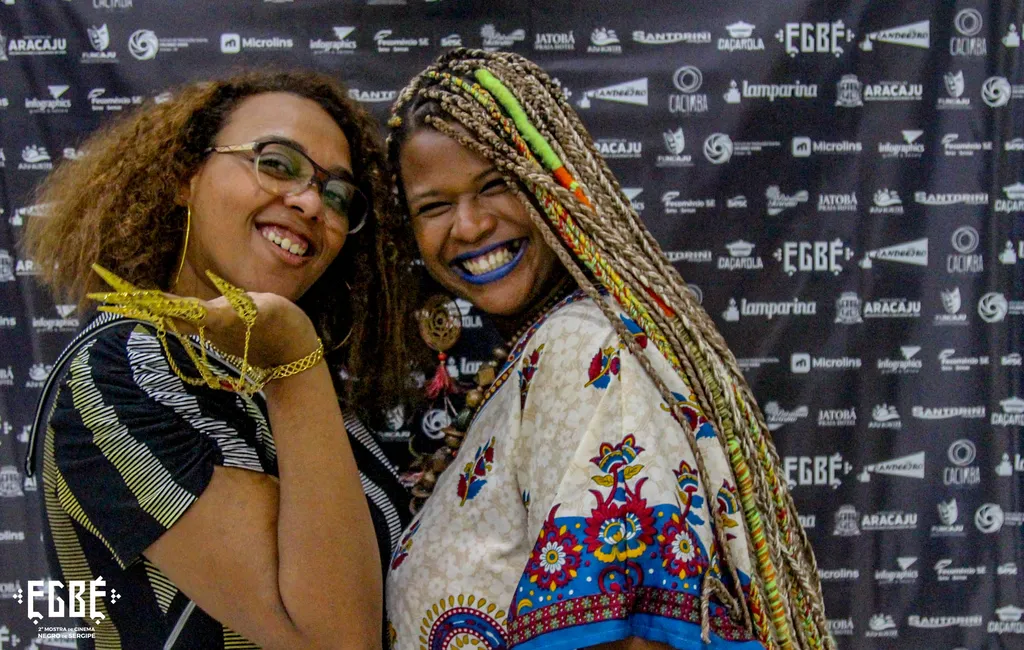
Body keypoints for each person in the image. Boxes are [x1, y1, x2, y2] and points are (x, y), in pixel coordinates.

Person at [384, 50, 832, 650]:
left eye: (496, 185)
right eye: (435, 206)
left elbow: (628, 639)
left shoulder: (583, 349)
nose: (467, 226)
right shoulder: (536, 352)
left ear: (555, 182)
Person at [23, 70, 411, 649]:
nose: (311, 203)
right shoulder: (118, 371)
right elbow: (336, 639)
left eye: (337, 196)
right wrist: (295, 359)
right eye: (276, 163)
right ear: (186, 175)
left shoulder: (301, 393)